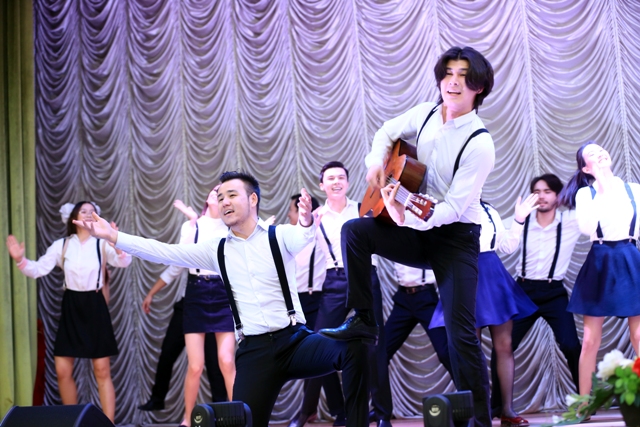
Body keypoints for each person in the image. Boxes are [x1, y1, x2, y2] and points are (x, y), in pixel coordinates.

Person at [73, 171, 369, 427]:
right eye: (221, 197)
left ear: (253, 199)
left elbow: (303, 236)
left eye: (232, 195)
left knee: (353, 350)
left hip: (295, 342)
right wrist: (113, 237)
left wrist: (305, 222)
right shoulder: (216, 249)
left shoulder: (278, 236)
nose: (224, 202)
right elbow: (164, 252)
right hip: (255, 353)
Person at [319, 46, 495, 427]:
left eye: (463, 76)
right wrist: (376, 165)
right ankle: (363, 317)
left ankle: (481, 421)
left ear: (479, 87)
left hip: (455, 238)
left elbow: (450, 210)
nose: (453, 82)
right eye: (448, 73)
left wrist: (403, 207)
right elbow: (386, 132)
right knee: (354, 231)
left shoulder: (480, 143)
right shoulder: (425, 113)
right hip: (415, 229)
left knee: (461, 334)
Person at [6, 201, 132, 422]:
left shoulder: (102, 244)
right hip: (71, 305)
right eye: (83, 211)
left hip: (95, 305)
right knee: (63, 371)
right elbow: (38, 269)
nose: (88, 214)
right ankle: (72, 421)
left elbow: (124, 261)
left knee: (102, 371)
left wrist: (116, 244)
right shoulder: (61, 245)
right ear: (74, 216)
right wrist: (20, 260)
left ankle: (108, 423)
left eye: (92, 211)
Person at [291, 161, 388, 427]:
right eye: (331, 178)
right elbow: (299, 253)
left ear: (348, 182)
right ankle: (305, 413)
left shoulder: (363, 209)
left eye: (341, 177)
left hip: (365, 276)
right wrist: (306, 221)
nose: (336, 182)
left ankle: (382, 416)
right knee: (317, 343)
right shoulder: (316, 216)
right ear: (322, 185)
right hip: (334, 280)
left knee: (375, 346)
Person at [431, 194, 539, 427]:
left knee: (504, 345)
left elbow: (507, 246)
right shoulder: (450, 211)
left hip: (493, 275)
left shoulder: (490, 210)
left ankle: (507, 410)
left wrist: (519, 220)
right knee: (470, 347)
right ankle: (475, 413)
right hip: (465, 274)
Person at [490, 174, 583, 417]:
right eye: (537, 191)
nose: (541, 196)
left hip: (554, 292)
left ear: (558, 196)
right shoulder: (520, 220)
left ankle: (584, 401)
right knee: (503, 346)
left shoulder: (572, 221)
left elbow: (594, 212)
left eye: (547, 191)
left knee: (571, 345)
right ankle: (497, 406)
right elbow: (495, 239)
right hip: (523, 291)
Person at [558, 142, 640, 400]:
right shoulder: (586, 194)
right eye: (592, 154)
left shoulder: (634, 189)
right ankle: (584, 403)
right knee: (590, 340)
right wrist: (602, 187)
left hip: (630, 256)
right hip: (601, 260)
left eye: (601, 149)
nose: (600, 153)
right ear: (586, 168)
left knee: (639, 335)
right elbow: (587, 227)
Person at [138, 192, 232, 415]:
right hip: (195, 295)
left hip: (221, 294)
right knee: (190, 362)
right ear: (208, 199)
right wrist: (192, 222)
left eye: (223, 194)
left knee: (223, 361)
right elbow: (177, 262)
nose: (218, 195)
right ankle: (184, 416)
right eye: (215, 192)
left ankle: (230, 412)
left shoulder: (230, 227)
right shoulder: (193, 225)